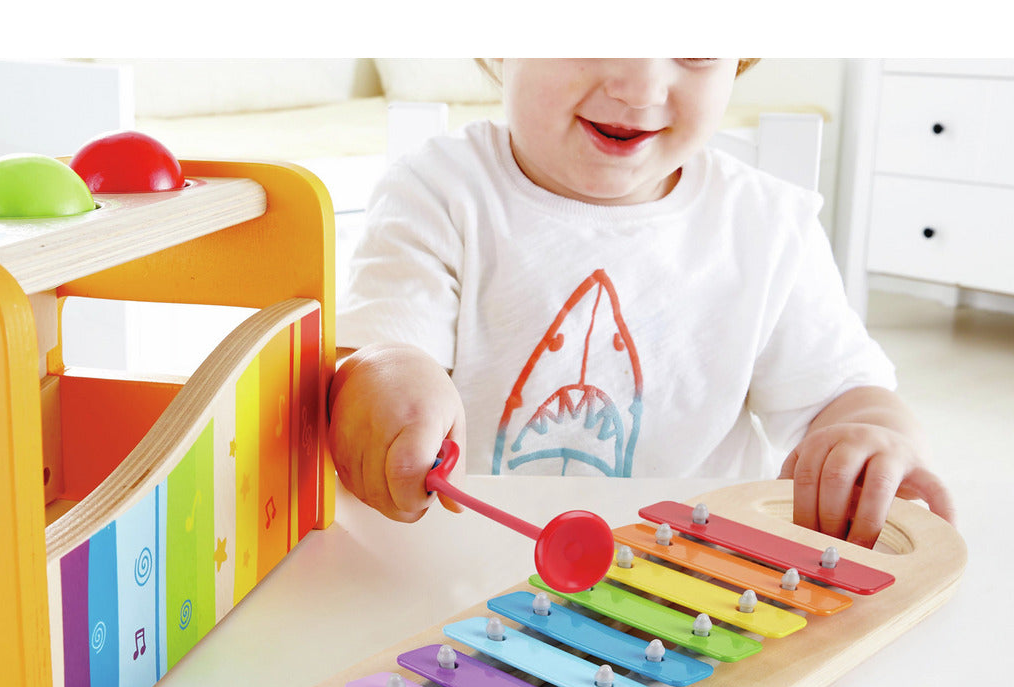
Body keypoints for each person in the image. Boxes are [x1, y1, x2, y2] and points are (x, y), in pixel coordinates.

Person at [329, 58, 955, 548]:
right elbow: (378, 355)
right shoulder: (437, 192)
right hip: (464, 578)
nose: (641, 87)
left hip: (696, 586)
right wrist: (384, 382)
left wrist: (873, 444)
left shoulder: (767, 227)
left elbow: (843, 398)